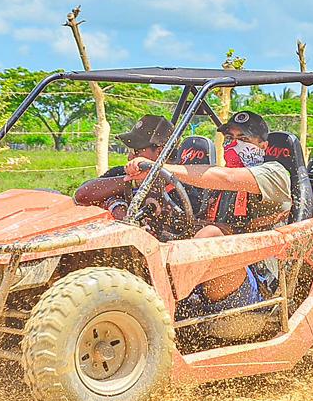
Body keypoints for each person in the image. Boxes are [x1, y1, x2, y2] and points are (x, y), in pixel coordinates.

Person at [125, 110, 292, 310]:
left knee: (210, 235)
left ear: (263, 146)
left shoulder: (275, 173)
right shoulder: (216, 185)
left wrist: (158, 167)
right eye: (229, 138)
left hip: (260, 281)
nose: (233, 144)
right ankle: (145, 294)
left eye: (243, 139)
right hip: (217, 277)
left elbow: (228, 178)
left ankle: (161, 305)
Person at [74, 115, 174, 219]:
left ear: (160, 151)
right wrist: (132, 183)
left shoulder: (180, 185)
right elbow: (81, 195)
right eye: (130, 151)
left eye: (136, 151)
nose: (129, 157)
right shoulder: (123, 173)